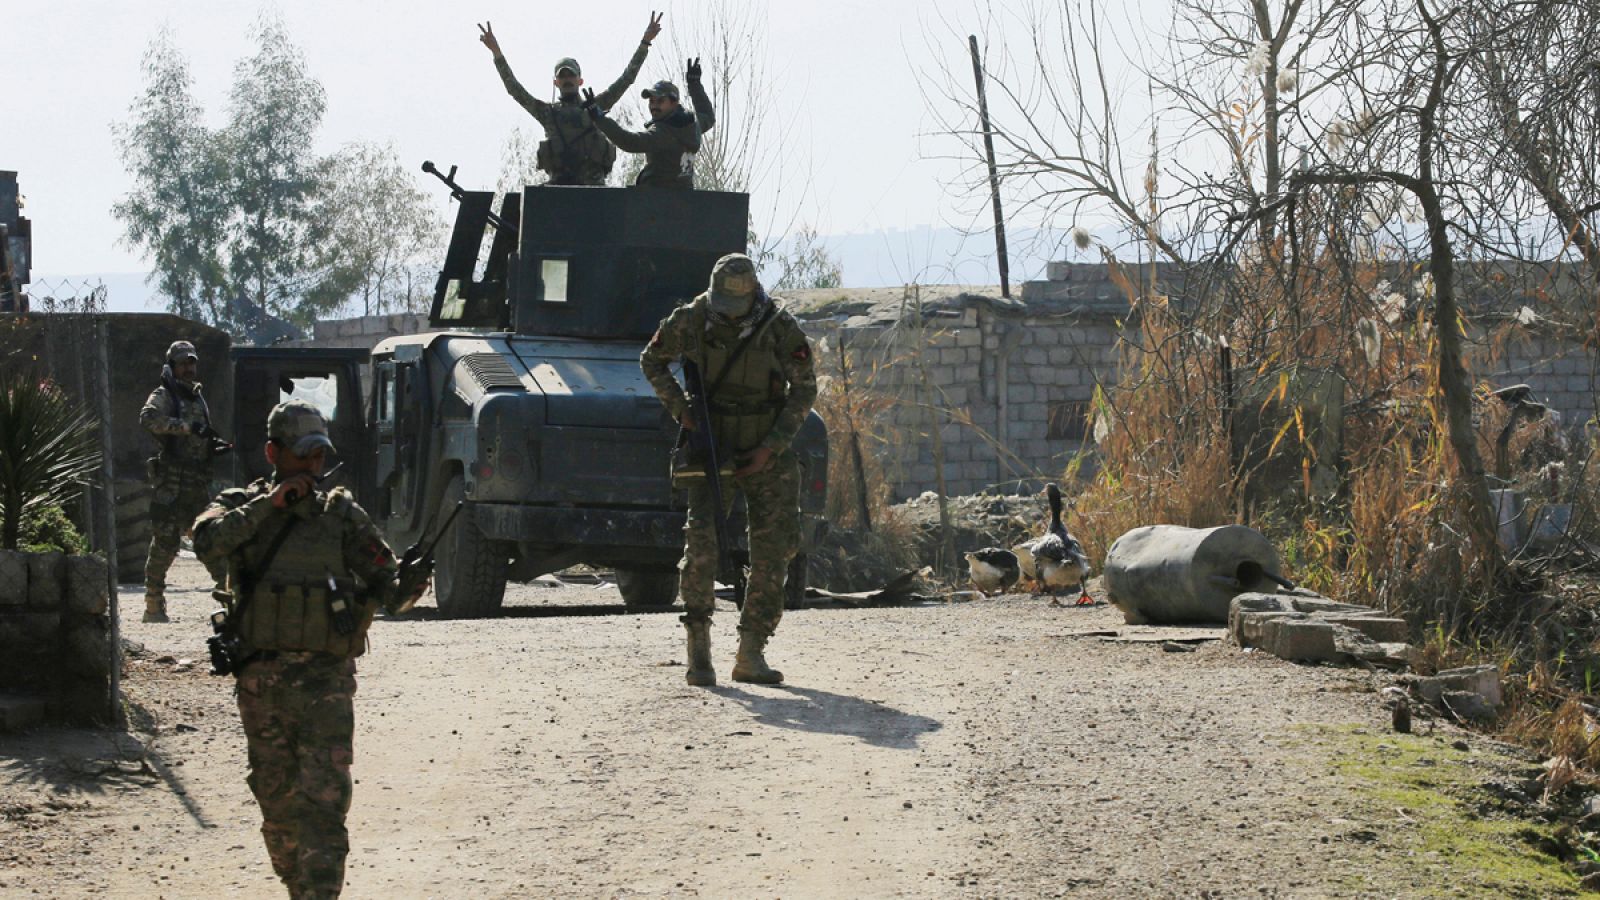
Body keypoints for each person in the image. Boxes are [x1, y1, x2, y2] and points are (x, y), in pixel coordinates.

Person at [192, 400, 427, 900]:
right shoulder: (239, 503)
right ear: (274, 452)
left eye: (319, 456)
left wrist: (412, 580)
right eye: (303, 456)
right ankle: (298, 887)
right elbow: (205, 541)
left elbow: (392, 593)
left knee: (324, 800)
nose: (313, 467)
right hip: (261, 681)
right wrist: (270, 504)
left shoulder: (341, 515)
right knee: (276, 801)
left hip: (326, 683)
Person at [640, 253, 817, 685]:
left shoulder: (779, 326)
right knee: (701, 546)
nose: (728, 314)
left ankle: (751, 652)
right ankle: (699, 651)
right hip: (713, 447)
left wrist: (771, 447)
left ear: (755, 292)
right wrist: (682, 410)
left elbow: (804, 389)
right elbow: (652, 360)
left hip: (765, 448)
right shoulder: (692, 318)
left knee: (773, 551)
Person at [477, 13, 663, 186]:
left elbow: (626, 79)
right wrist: (496, 53)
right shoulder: (547, 112)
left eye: (571, 76)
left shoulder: (594, 108)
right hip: (559, 191)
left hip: (594, 191)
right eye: (563, 77)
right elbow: (515, 90)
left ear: (580, 80)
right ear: (556, 82)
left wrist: (645, 43)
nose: (567, 80)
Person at [138, 340, 228, 623]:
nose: (189, 368)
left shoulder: (195, 396)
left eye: (192, 362)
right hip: (172, 483)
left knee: (208, 538)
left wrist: (212, 444)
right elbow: (148, 419)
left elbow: (199, 436)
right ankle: (153, 603)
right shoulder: (165, 395)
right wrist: (188, 428)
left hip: (196, 482)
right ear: (172, 366)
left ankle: (229, 596)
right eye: (183, 363)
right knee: (165, 543)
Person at [585, 57, 715, 189]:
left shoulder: (663, 133)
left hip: (655, 199)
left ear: (674, 103)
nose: (654, 106)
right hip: (684, 198)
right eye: (652, 101)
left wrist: (599, 118)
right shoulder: (692, 126)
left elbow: (630, 142)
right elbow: (708, 116)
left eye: (660, 101)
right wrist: (695, 85)